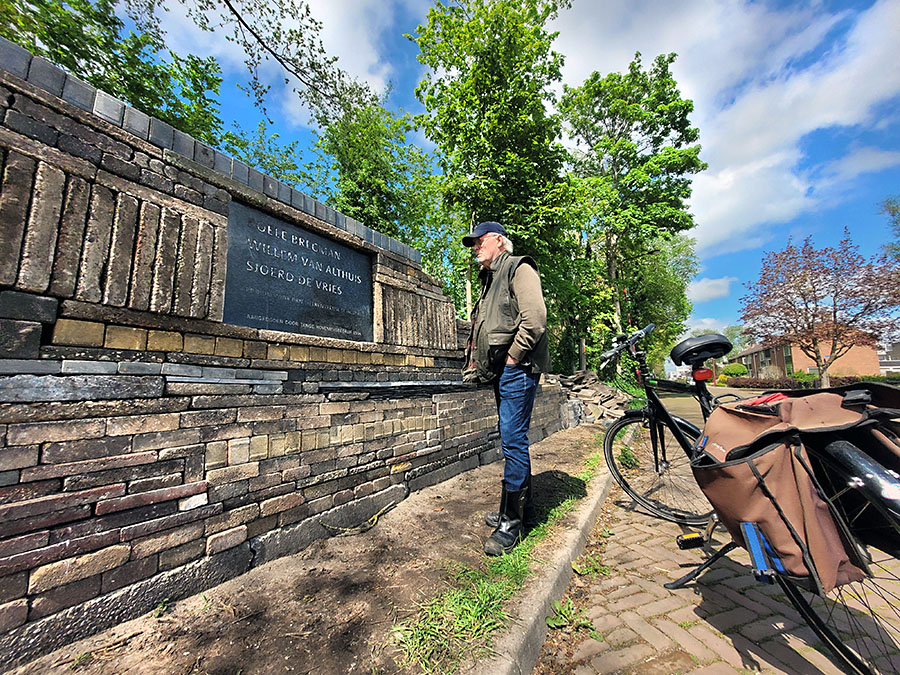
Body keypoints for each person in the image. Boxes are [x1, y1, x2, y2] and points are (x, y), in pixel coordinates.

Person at [461, 221, 549, 556]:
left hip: (519, 368)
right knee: (511, 438)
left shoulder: (518, 267)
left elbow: (535, 319)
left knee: (513, 440)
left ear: (498, 240)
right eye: (473, 244)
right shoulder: (490, 279)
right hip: (503, 371)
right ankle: (518, 510)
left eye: (479, 241)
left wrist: (513, 359)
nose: (475, 247)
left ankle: (511, 524)